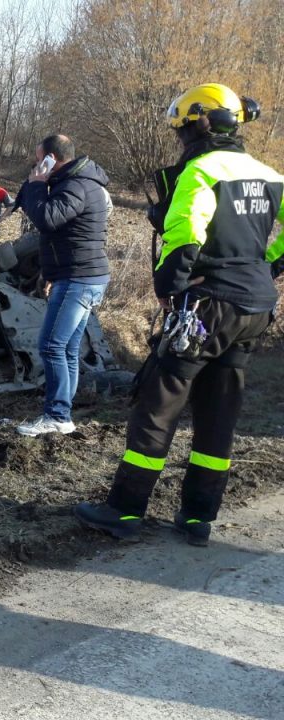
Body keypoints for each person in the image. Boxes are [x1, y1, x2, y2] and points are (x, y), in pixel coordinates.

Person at [76, 84, 283, 546]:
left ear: (199, 125)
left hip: (208, 305)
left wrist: (169, 291)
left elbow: (187, 234)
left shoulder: (201, 171)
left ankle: (124, 510)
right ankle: (197, 518)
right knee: (219, 410)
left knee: (159, 401)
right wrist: (267, 267)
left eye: (182, 128)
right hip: (255, 307)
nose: (179, 137)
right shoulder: (270, 174)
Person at [14, 134, 111, 437]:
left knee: (51, 345)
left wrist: (36, 184)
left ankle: (57, 415)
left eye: (38, 158)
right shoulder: (82, 182)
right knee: (67, 347)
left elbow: (46, 218)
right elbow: (65, 235)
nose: (35, 164)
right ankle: (61, 413)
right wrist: (49, 273)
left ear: (50, 159)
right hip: (81, 276)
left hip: (78, 279)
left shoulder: (75, 186)